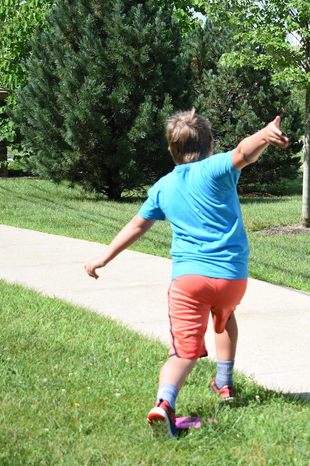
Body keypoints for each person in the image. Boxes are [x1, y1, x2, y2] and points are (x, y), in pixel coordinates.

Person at [84, 109, 289, 438]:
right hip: (232, 279)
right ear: (210, 145)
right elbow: (241, 153)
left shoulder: (163, 187)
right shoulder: (214, 170)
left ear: (171, 151)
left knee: (183, 351)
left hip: (189, 281)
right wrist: (264, 135)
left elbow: (138, 224)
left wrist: (104, 257)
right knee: (223, 315)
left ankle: (164, 405)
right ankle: (223, 384)